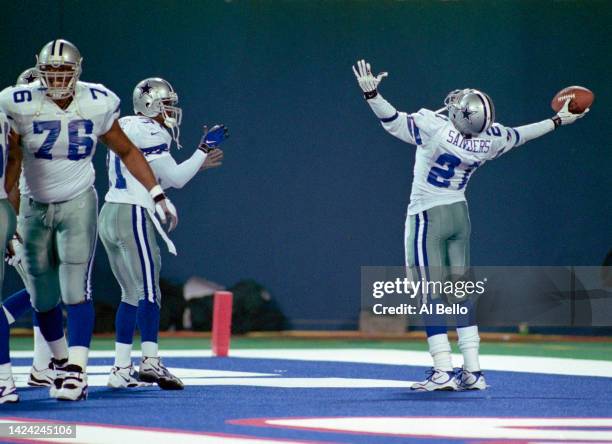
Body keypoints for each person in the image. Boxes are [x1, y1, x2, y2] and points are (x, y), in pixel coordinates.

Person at [352, 59, 589, 391]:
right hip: (459, 215)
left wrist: (372, 94)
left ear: (462, 116)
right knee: (459, 289)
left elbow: (392, 121)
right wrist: (557, 121)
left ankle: (442, 370)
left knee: (429, 291)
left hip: (428, 215)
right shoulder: (490, 139)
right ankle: (473, 370)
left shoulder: (434, 128)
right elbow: (522, 135)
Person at [0, 39, 178, 401]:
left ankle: (75, 370)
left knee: (75, 288)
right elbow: (14, 164)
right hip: (34, 205)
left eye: (65, 71)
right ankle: (55, 365)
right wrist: (11, 219)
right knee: (42, 296)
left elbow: (126, 149)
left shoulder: (97, 100)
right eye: (50, 72)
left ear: (78, 70)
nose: (58, 80)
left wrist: (158, 194)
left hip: (79, 200)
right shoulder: (15, 103)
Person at [99, 77, 226, 389]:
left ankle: (120, 369)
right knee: (149, 292)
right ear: (149, 104)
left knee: (129, 294)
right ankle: (151, 362)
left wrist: (198, 164)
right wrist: (203, 148)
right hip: (133, 214)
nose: (171, 109)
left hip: (110, 213)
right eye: (166, 103)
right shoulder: (153, 131)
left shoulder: (125, 124)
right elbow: (177, 180)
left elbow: (157, 178)